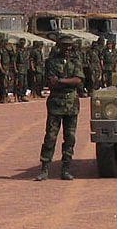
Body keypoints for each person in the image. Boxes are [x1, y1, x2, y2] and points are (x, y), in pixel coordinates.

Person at [36, 36, 85, 181]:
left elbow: (78, 80)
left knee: (69, 138)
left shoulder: (76, 61)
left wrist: (61, 80)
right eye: (65, 46)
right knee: (50, 137)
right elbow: (51, 82)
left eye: (70, 46)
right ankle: (45, 168)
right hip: (56, 104)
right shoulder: (51, 62)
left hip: (71, 104)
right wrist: (66, 82)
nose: (68, 48)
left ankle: (66, 169)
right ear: (59, 46)